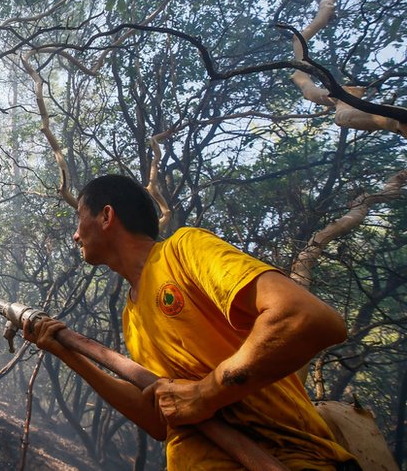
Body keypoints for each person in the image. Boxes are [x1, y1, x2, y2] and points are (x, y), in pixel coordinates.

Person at [23, 174, 358, 470]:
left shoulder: (183, 251)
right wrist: (67, 353)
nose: (75, 236)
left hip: (290, 459)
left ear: (106, 216)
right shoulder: (131, 317)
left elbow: (307, 318)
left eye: (78, 219)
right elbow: (160, 420)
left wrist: (204, 395)